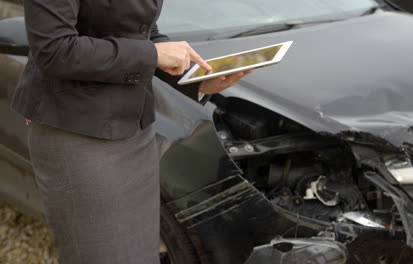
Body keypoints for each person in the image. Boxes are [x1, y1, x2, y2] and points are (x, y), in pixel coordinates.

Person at [10, 0, 252, 263]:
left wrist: (197, 78)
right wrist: (153, 54)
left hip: (136, 131)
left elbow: (137, 31)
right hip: (78, 131)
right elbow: (54, 51)